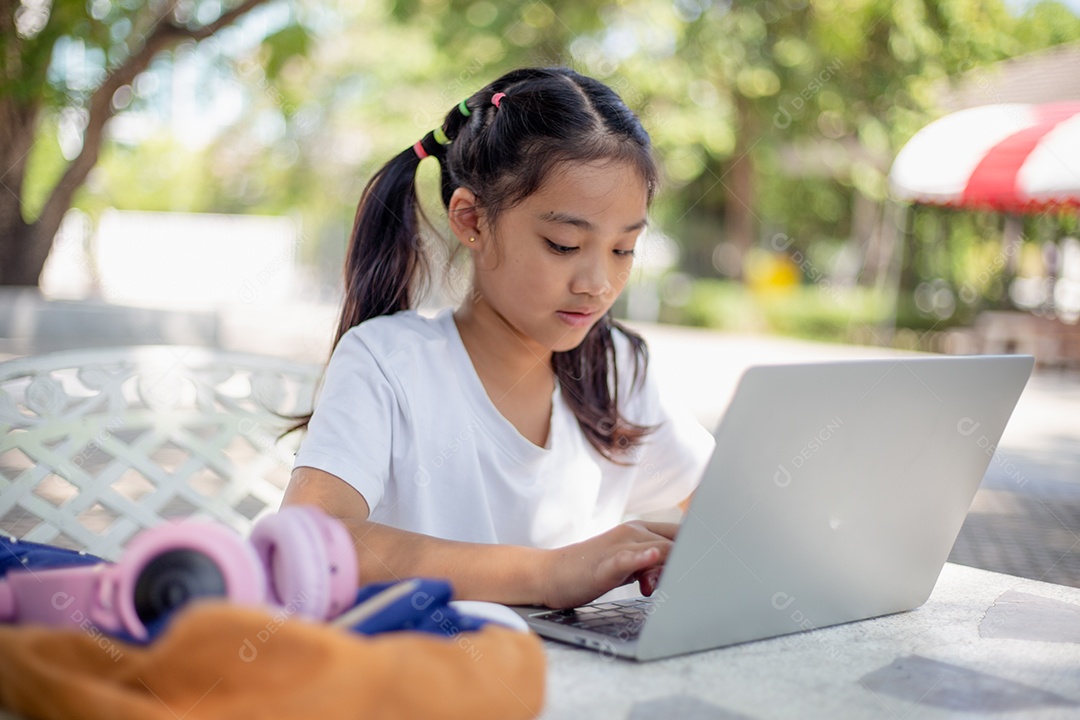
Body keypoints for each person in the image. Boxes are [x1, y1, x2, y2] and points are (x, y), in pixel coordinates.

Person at [282, 67, 715, 610]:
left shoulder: (617, 366)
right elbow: (308, 542)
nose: (598, 284)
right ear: (472, 220)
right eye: (562, 244)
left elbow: (729, 511)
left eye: (623, 249)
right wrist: (548, 574)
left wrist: (681, 545)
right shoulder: (388, 361)